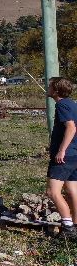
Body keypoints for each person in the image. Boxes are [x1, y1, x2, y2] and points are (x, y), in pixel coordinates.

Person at [46, 77, 77, 234]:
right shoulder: (73, 104)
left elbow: (71, 128)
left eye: (50, 86)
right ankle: (75, 225)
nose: (48, 88)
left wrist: (61, 150)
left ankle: (68, 228)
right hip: (75, 154)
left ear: (56, 90)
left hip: (66, 155)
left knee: (53, 192)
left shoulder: (62, 105)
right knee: (72, 190)